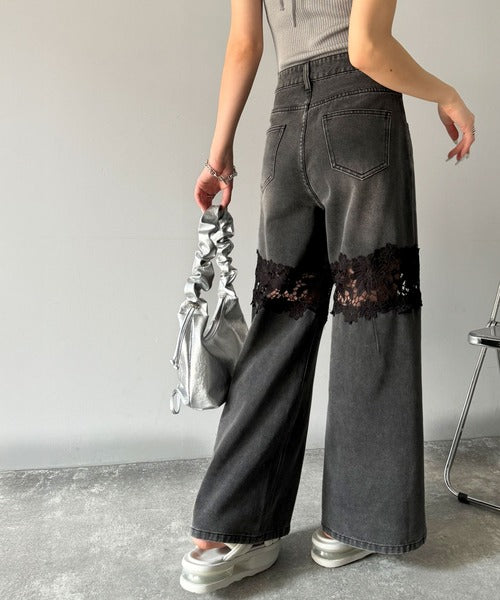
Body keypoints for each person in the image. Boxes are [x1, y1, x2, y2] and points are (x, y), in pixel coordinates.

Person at [179, 0, 475, 594]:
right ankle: (356, 522)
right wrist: (447, 94)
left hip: (285, 127)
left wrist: (219, 155)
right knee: (374, 315)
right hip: (361, 119)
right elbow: (367, 48)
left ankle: (233, 528)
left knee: (279, 321)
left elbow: (245, 46)